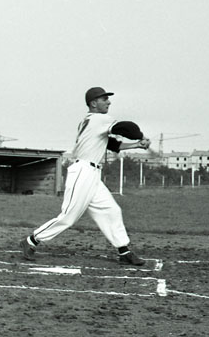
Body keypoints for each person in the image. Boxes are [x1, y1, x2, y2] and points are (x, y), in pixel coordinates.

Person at [19, 87, 150, 266]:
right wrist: (141, 136)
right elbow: (127, 127)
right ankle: (31, 240)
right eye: (104, 99)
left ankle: (124, 251)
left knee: (111, 210)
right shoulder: (98, 119)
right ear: (93, 103)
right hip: (83, 172)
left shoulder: (91, 121)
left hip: (92, 174)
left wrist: (137, 145)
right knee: (69, 216)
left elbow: (112, 145)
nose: (109, 102)